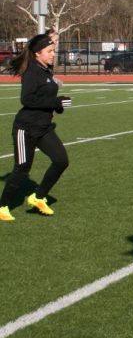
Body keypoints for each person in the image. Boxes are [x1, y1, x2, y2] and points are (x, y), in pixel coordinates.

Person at [1, 33, 71, 222]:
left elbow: (47, 100)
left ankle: (38, 197)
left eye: (53, 51)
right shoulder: (32, 72)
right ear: (38, 53)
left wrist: (59, 105)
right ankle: (3, 206)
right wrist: (55, 102)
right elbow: (27, 99)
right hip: (26, 128)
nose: (52, 54)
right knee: (22, 168)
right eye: (49, 51)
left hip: (44, 128)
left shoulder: (46, 70)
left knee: (61, 161)